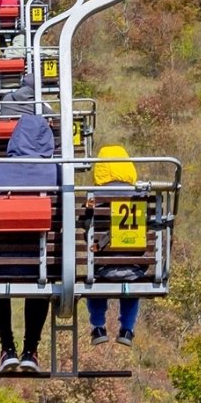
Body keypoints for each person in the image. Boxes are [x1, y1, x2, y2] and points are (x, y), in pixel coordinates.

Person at [0, 78, 58, 375]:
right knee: (40, 283)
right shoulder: (55, 170)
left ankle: (7, 347)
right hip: (39, 262)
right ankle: (31, 350)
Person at [85, 143, 143, 346]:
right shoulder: (140, 196)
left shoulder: (93, 198)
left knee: (95, 279)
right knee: (133, 281)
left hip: (101, 269)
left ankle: (98, 326)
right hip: (134, 268)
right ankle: (127, 329)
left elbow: (87, 236)